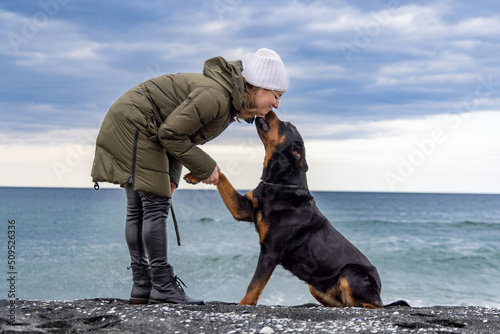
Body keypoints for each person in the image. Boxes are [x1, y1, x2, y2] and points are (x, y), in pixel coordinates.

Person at [91, 48, 289, 305]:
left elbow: (175, 132)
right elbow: (169, 134)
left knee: (140, 208)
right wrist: (207, 166)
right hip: (136, 124)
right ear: (256, 87)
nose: (276, 105)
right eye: (276, 95)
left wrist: (171, 176)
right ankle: (160, 285)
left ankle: (143, 287)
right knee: (153, 206)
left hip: (135, 123)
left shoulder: (224, 100)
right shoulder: (216, 97)